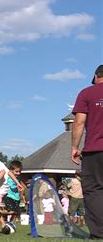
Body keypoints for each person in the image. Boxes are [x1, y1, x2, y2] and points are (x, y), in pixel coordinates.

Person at [71, 64, 103, 239]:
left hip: (95, 150)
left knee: (94, 190)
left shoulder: (87, 93)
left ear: (96, 76)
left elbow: (78, 123)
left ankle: (98, 233)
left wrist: (74, 147)